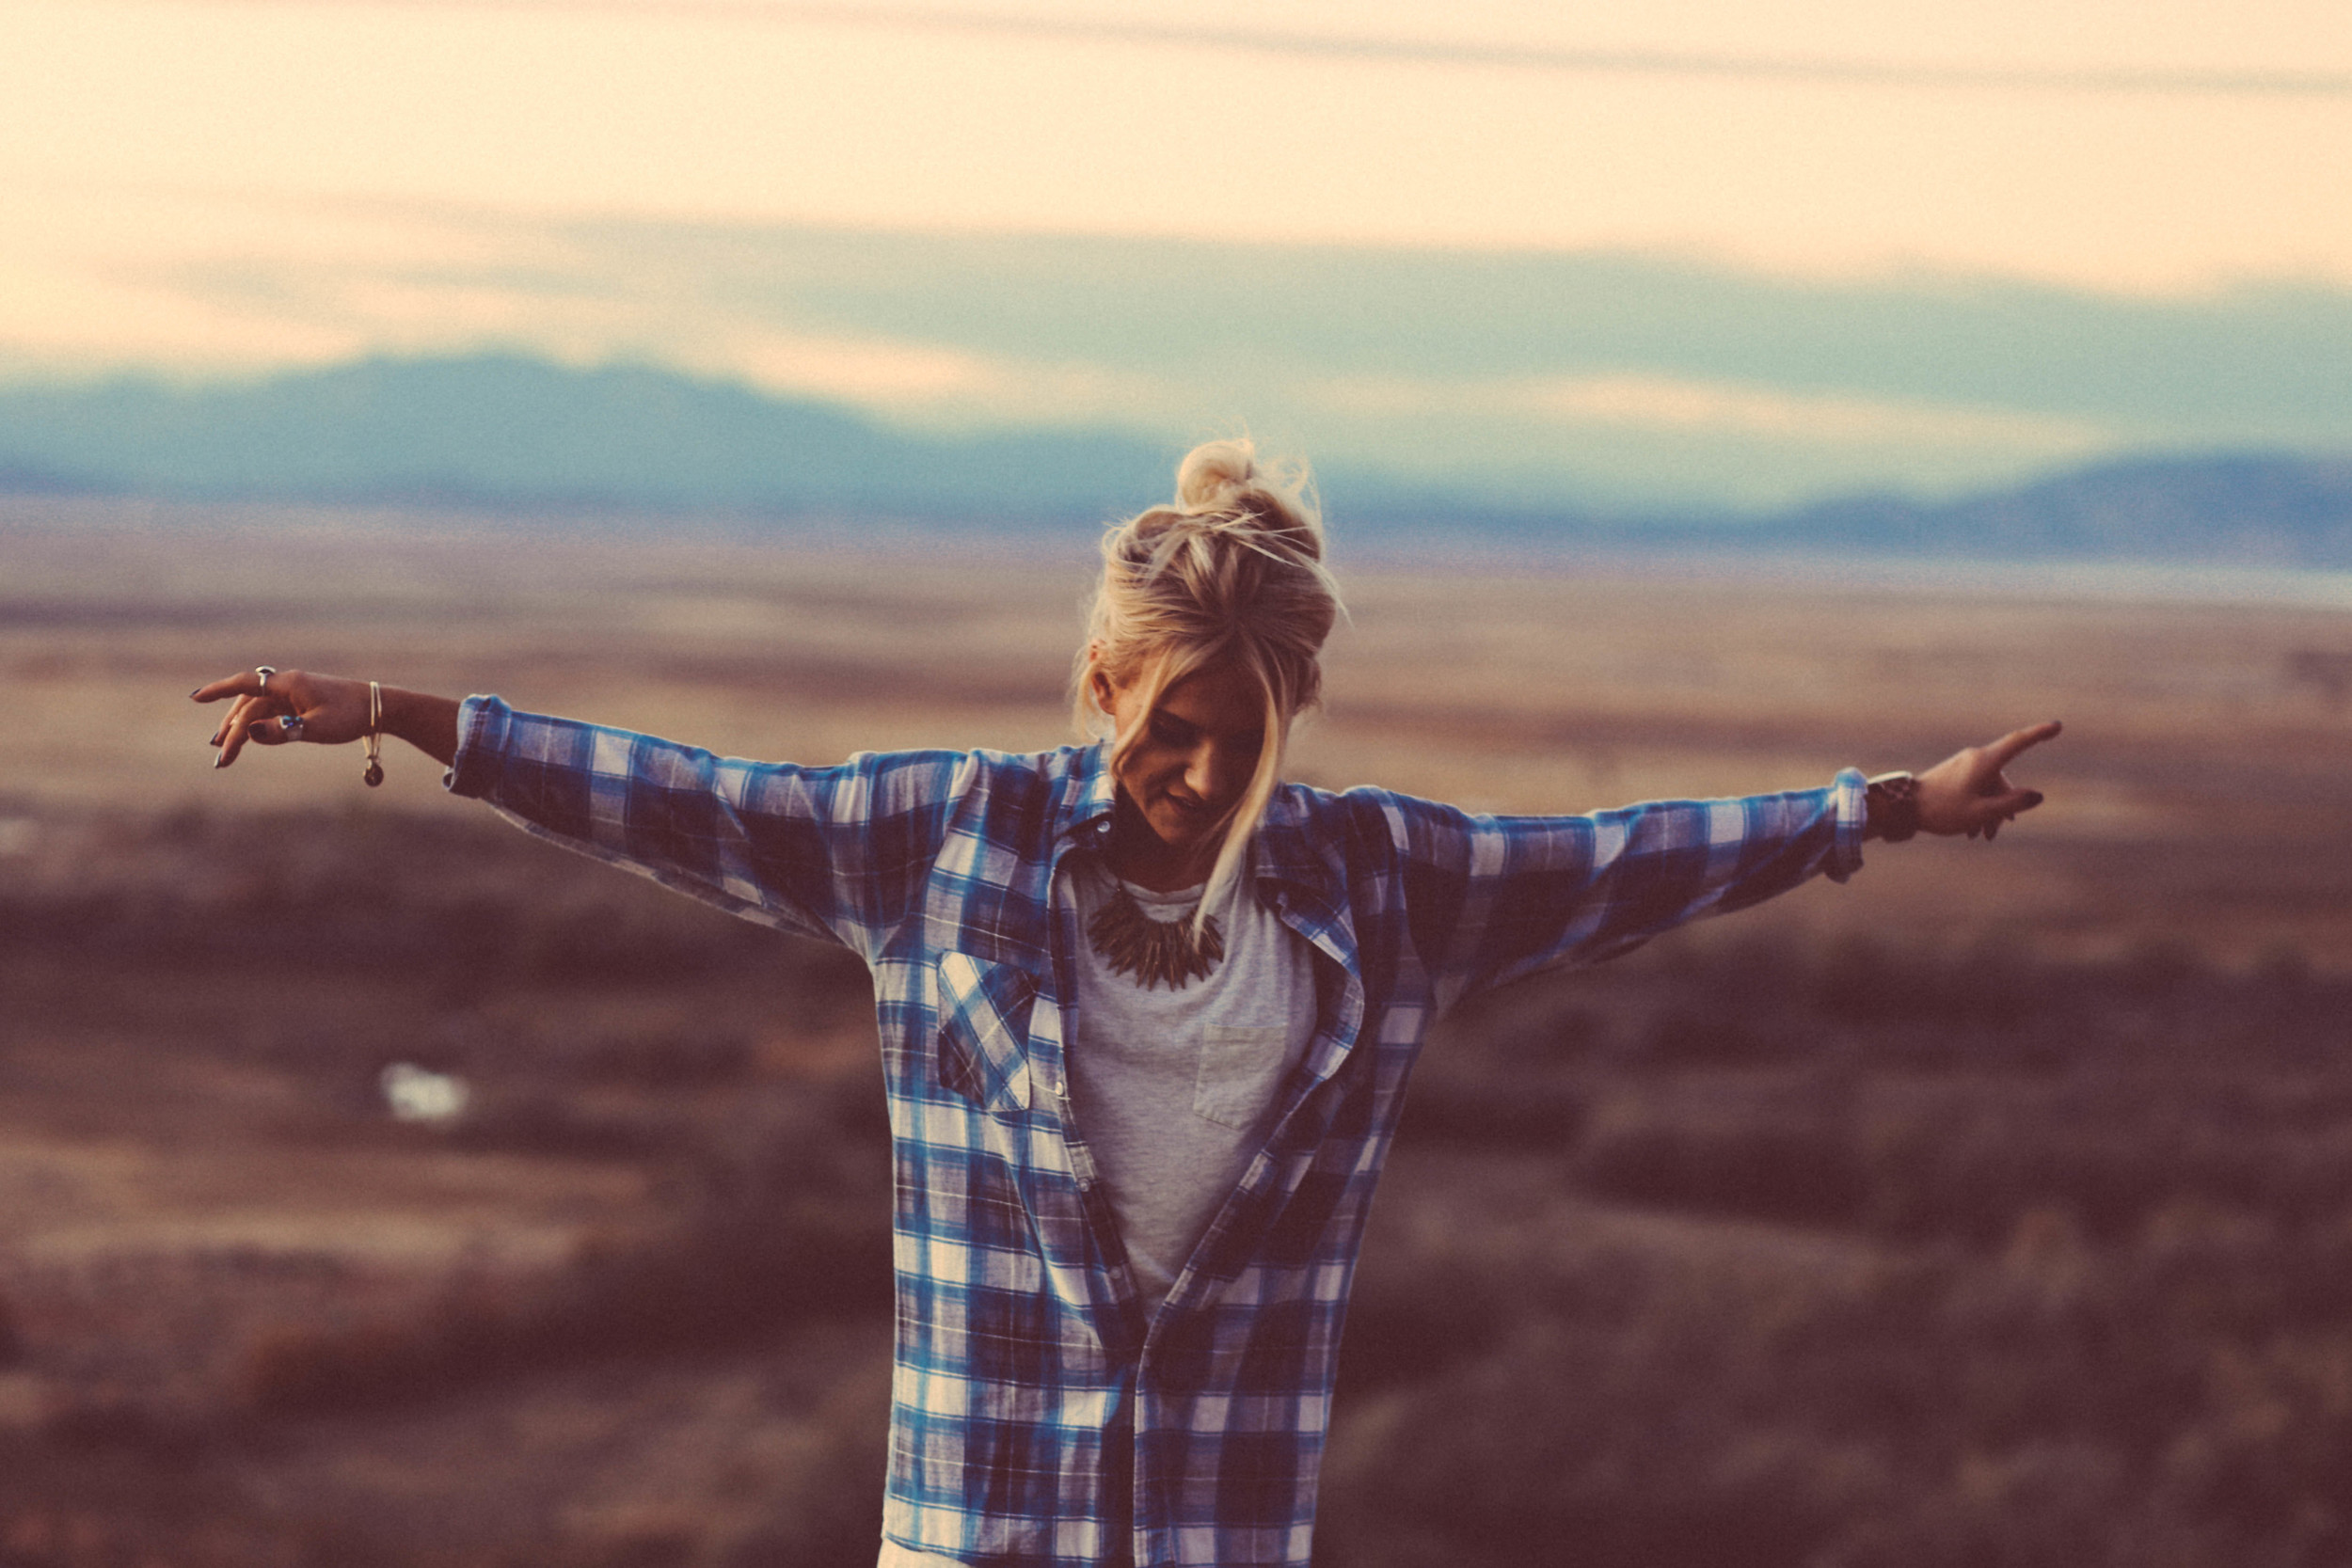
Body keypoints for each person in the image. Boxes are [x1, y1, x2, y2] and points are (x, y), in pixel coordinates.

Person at [192, 438, 2058, 1568]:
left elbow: (1613, 858)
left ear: (1288, 728)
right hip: (973, 1526)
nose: (1191, 772)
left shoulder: (1376, 890)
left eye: (1235, 743)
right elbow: (679, 794)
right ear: (1100, 682)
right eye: (1165, 725)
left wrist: (1876, 806)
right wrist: (403, 713)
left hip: (1222, 1531)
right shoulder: (941, 846)